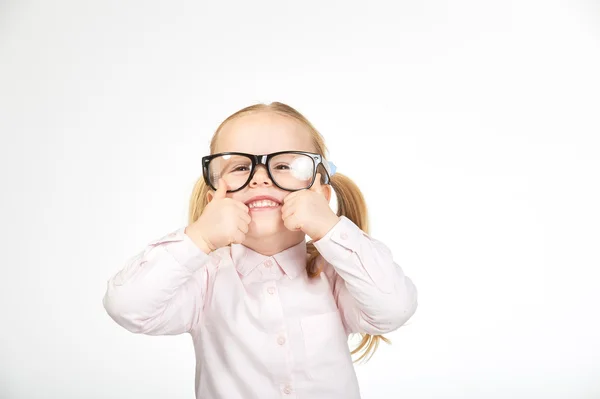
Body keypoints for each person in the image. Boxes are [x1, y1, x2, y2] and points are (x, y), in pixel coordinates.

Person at [102, 101, 418, 399]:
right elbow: (128, 307)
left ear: (320, 195)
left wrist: (331, 228)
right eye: (240, 168)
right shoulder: (206, 280)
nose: (260, 178)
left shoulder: (335, 276)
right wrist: (199, 237)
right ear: (215, 200)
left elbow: (393, 308)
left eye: (284, 165)